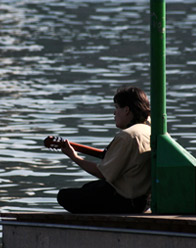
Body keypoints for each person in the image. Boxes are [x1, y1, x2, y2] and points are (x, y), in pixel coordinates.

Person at [57, 86, 151, 214]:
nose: (114, 113)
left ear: (127, 110)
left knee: (64, 196)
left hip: (126, 202)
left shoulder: (127, 136)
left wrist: (74, 157)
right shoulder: (150, 131)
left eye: (117, 107)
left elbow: (102, 173)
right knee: (89, 188)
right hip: (144, 202)